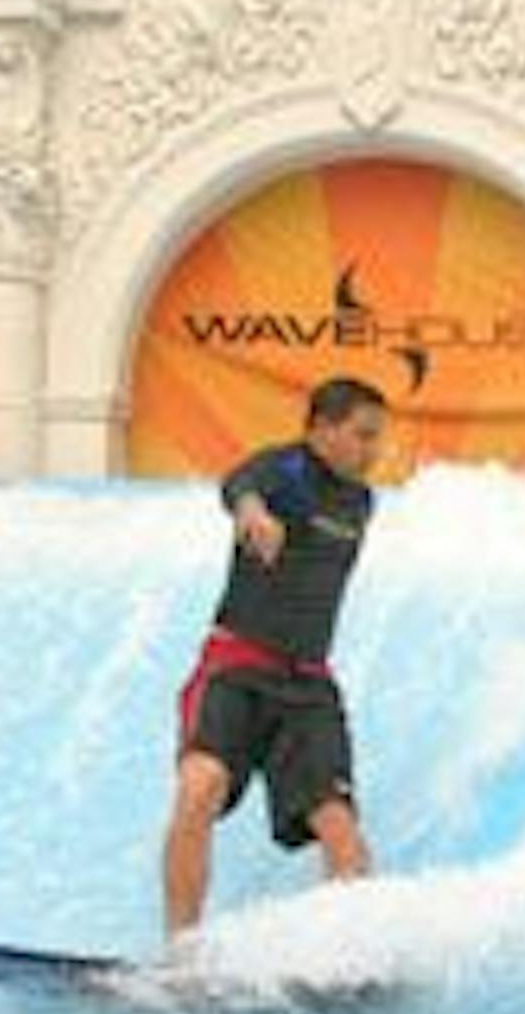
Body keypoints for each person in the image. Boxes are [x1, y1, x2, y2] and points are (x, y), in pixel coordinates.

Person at [162, 376, 387, 938]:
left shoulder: (361, 501)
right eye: (362, 435)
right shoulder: (286, 470)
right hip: (236, 668)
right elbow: (240, 481)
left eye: (377, 438)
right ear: (321, 429)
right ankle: (181, 952)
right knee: (200, 787)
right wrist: (251, 512)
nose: (373, 450)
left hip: (307, 685)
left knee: (341, 830)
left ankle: (349, 954)